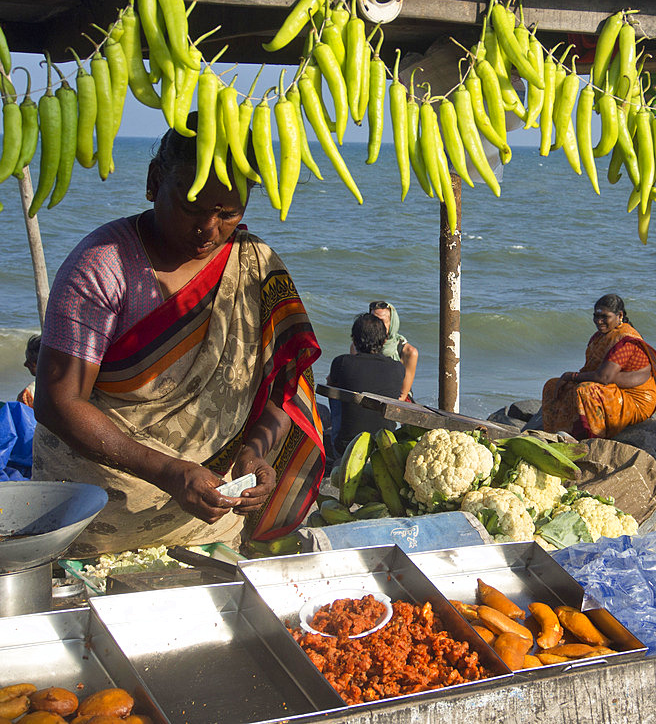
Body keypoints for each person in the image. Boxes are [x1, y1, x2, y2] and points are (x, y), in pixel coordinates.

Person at [31, 114, 325, 558]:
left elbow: (284, 387)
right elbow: (58, 401)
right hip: (95, 523)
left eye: (228, 213)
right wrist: (169, 471)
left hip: (205, 525)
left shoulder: (255, 266)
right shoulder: (101, 265)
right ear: (154, 182)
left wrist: (254, 452)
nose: (208, 228)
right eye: (191, 206)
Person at [542, 294, 656, 439]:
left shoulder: (626, 341)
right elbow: (593, 372)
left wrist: (571, 376)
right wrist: (568, 380)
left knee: (585, 391)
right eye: (596, 316)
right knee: (552, 385)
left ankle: (590, 438)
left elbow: (604, 377)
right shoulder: (600, 336)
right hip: (612, 388)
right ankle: (553, 436)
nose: (598, 321)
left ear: (619, 315)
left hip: (634, 399)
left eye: (604, 317)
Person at [327, 313, 405, 454]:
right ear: (385, 340)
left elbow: (330, 384)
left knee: (335, 392)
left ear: (354, 340)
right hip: (384, 445)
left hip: (346, 446)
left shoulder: (342, 362)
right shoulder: (398, 367)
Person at [353, 300, 418, 401]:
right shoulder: (357, 346)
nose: (376, 326)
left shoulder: (409, 352)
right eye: (374, 320)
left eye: (381, 321)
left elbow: (402, 395)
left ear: (392, 323)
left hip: (395, 400)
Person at [16, 334, 41, 408]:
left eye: (29, 360)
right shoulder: (71, 385)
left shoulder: (28, 393)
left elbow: (22, 418)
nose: (25, 364)